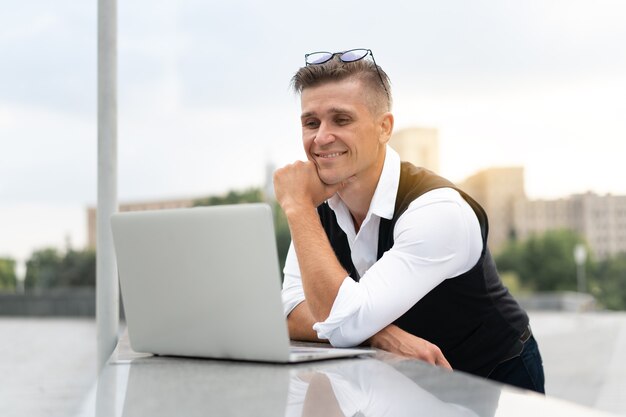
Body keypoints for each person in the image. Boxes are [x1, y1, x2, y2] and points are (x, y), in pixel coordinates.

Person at [273, 48, 545, 393]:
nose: (321, 137)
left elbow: (336, 323)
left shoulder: (437, 210)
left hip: (492, 376)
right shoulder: (318, 208)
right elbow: (289, 311)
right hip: (405, 381)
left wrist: (297, 207)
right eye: (311, 122)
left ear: (384, 127)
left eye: (341, 120)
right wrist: (381, 333)